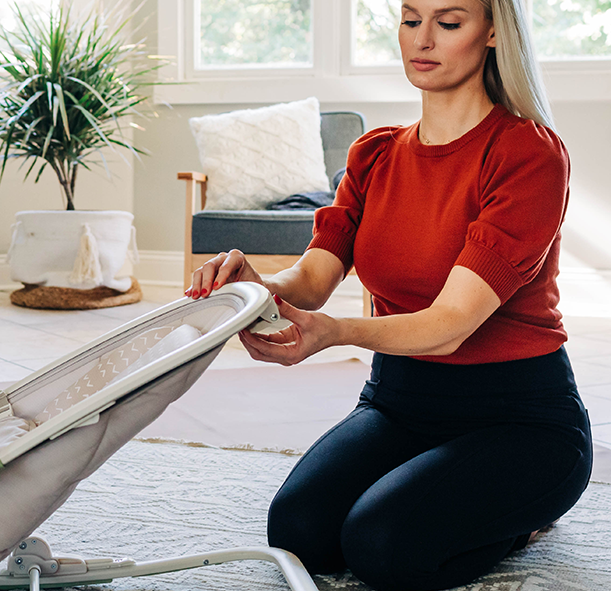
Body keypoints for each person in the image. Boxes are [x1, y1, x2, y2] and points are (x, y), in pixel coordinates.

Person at [186, 0, 593, 588]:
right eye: (410, 19)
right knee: (300, 534)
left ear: (493, 34)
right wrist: (256, 284)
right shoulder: (375, 155)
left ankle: (523, 517)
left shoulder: (527, 153)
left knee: (383, 547)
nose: (422, 39)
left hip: (520, 419)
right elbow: (313, 280)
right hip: (399, 404)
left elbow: (451, 324)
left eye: (448, 23)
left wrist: (335, 335)